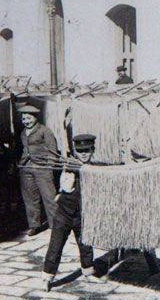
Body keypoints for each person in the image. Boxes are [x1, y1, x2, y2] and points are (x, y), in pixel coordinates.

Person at [41, 133, 104, 290]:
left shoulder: (94, 170)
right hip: (63, 214)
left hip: (82, 215)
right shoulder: (69, 165)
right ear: (75, 151)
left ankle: (88, 272)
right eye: (80, 150)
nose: (83, 154)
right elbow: (62, 184)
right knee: (55, 245)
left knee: (86, 244)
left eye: (87, 150)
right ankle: (47, 278)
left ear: (93, 150)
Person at [17, 105, 58, 236]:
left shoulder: (45, 131)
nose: (26, 121)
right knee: (30, 198)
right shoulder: (23, 132)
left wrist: (49, 167)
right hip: (26, 168)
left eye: (28, 118)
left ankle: (55, 225)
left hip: (42, 168)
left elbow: (53, 150)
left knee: (49, 197)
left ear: (35, 117)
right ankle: (34, 225)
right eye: (24, 119)